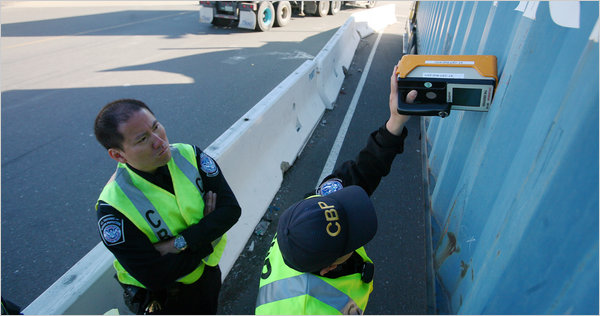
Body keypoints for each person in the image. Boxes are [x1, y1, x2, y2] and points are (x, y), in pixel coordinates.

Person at [255, 64, 418, 315]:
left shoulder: (309, 216)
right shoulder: (307, 309)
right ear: (328, 269)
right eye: (350, 238)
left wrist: (395, 121)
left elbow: (363, 171)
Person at [93, 99, 241, 314]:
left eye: (156, 127)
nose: (159, 141)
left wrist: (178, 243)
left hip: (206, 274)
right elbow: (155, 276)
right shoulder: (113, 207)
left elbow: (231, 211)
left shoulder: (189, 155)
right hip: (165, 298)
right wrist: (208, 231)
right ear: (118, 155)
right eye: (142, 139)